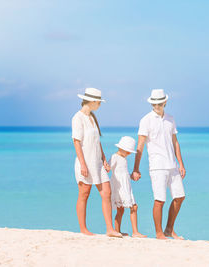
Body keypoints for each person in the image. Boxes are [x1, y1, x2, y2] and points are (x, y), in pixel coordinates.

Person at [132, 89, 186, 240]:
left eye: (159, 102)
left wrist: (181, 164)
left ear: (165, 102)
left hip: (173, 165)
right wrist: (136, 168)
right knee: (160, 199)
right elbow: (140, 145)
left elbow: (175, 143)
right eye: (154, 102)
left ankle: (169, 229)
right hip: (157, 166)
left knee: (180, 197)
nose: (156, 105)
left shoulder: (170, 119)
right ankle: (159, 233)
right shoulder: (146, 120)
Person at [71, 87, 122, 238]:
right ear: (92, 101)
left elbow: (97, 142)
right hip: (85, 162)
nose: (99, 105)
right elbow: (76, 142)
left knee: (107, 192)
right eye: (99, 102)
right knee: (84, 194)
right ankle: (83, 229)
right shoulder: (77, 118)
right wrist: (83, 164)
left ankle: (110, 229)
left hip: (97, 163)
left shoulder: (92, 118)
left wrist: (104, 160)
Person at [109, 136, 147, 238]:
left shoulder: (123, 158)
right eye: (128, 151)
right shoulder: (115, 157)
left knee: (121, 209)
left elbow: (123, 174)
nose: (129, 153)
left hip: (126, 186)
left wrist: (131, 176)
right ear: (121, 148)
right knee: (133, 207)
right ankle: (135, 232)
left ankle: (118, 231)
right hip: (119, 187)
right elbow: (108, 169)